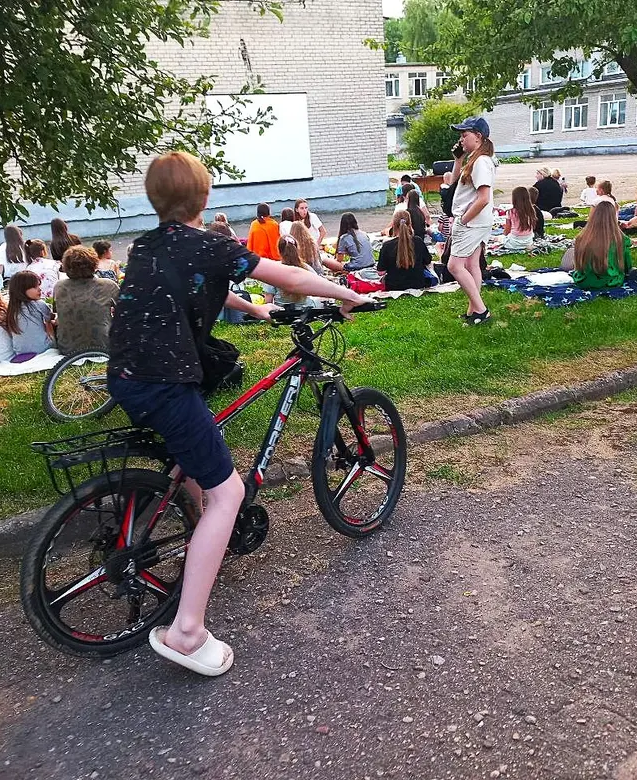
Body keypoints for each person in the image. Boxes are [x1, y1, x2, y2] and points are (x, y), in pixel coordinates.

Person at [107, 151, 370, 676]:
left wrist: (253, 308)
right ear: (204, 198)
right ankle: (187, 633)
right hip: (166, 384)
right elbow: (289, 276)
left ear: (154, 200)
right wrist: (347, 293)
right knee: (228, 492)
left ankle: (201, 536)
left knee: (196, 463)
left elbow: (200, 283)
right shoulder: (209, 243)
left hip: (125, 377)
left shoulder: (147, 244)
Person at [447, 116, 495, 326]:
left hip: (472, 222)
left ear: (478, 136)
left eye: (464, 135)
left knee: (454, 266)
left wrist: (464, 220)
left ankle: (481, 311)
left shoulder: (481, 161)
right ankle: (473, 310)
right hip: (477, 221)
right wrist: (458, 160)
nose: (461, 139)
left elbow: (483, 198)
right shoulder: (476, 159)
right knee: (471, 264)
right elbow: (453, 185)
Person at [54, 245, 120, 353]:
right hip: (103, 346)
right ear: (94, 263)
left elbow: (57, 312)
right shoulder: (108, 285)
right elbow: (126, 312)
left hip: (67, 348)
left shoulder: (59, 286)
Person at [570, 200, 632, 290]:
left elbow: (578, 265)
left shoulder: (582, 237)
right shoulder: (620, 239)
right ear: (613, 217)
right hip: (611, 281)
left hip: (583, 281)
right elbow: (627, 266)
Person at [377, 211, 435, 291]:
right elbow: (428, 261)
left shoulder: (387, 245)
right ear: (410, 223)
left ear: (393, 224)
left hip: (394, 286)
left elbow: (381, 272)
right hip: (418, 283)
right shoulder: (418, 241)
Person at [4, 270, 55, 355]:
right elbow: (49, 321)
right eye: (35, 287)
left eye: (39, 285)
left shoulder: (11, 309)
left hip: (20, 352)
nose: (39, 289)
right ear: (22, 289)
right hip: (43, 348)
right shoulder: (39, 304)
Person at [273, 235, 319, 308]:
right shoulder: (306, 268)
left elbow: (268, 300)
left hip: (281, 311)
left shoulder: (273, 270)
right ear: (297, 249)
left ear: (279, 251)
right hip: (305, 310)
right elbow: (318, 287)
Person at [500, 186, 537, 251]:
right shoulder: (531, 210)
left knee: (500, 239)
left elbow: (507, 231)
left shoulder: (510, 212)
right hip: (528, 241)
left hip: (514, 242)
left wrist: (504, 233)